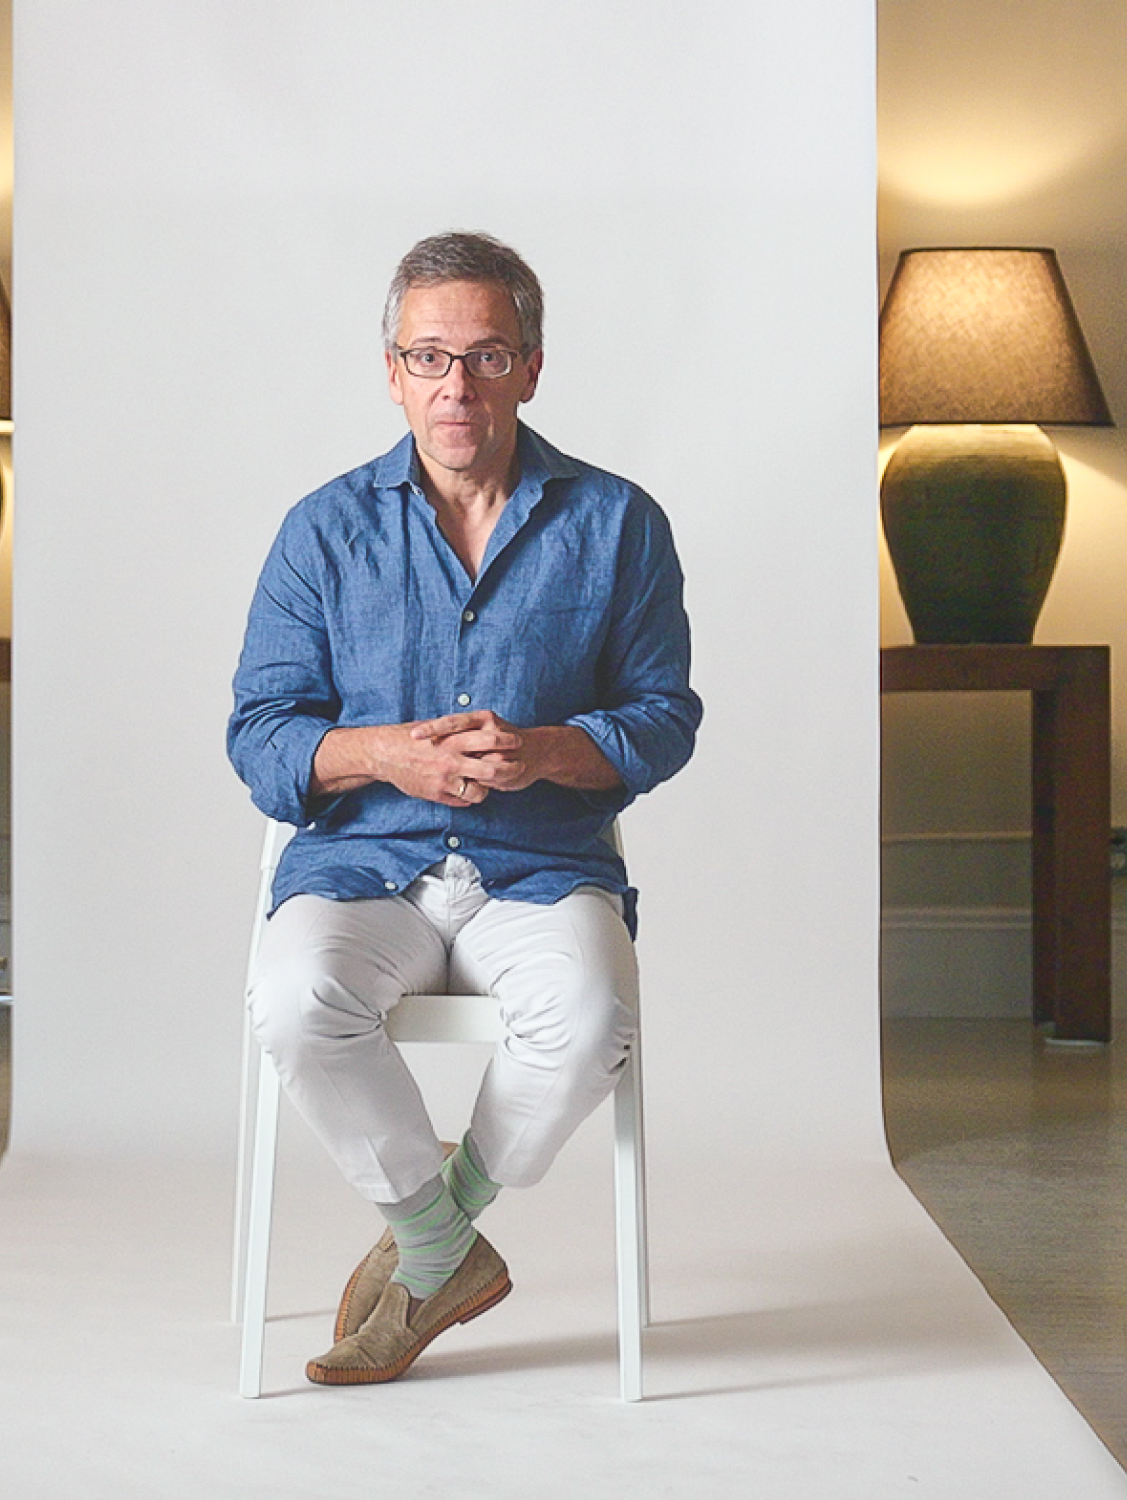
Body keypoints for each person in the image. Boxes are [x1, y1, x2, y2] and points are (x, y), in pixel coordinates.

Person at [227, 230, 701, 1386]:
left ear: (532, 366)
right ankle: (446, 1247)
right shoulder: (322, 530)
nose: (456, 387)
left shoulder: (618, 523)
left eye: (486, 357)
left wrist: (550, 751)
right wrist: (384, 753)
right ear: (391, 370)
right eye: (430, 357)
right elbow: (259, 737)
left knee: (593, 1019)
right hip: (360, 867)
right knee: (293, 1002)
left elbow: (666, 718)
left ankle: (436, 1228)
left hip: (540, 866)